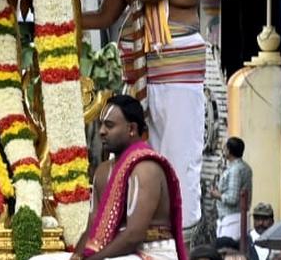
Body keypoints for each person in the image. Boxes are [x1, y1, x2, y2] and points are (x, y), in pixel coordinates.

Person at [80, 0, 227, 230]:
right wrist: (59, 19)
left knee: (178, 158)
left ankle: (182, 234)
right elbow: (104, 15)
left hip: (178, 73)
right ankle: (144, 226)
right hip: (141, 72)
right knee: (139, 155)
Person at [33, 96, 185, 260]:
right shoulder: (103, 171)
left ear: (132, 128)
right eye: (101, 125)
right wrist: (77, 256)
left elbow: (134, 235)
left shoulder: (145, 168)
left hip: (152, 252)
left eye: (109, 125)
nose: (101, 131)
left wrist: (93, 259)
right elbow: (92, 226)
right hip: (114, 253)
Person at [212, 137, 252, 243]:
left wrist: (218, 195)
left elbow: (233, 198)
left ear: (229, 151)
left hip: (232, 220)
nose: (223, 150)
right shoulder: (244, 167)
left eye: (225, 147)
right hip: (236, 218)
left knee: (227, 251)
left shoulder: (235, 170)